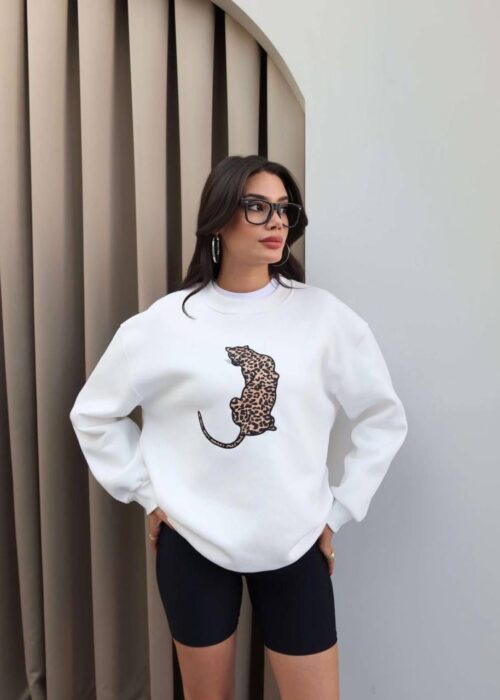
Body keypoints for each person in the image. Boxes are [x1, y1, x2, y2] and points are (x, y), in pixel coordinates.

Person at [69, 154, 408, 699]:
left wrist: (340, 509)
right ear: (219, 217)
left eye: (284, 209)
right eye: (257, 207)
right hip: (193, 542)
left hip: (296, 540)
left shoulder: (324, 318)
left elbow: (382, 417)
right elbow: (93, 413)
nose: (277, 222)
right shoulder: (165, 323)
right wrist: (146, 491)